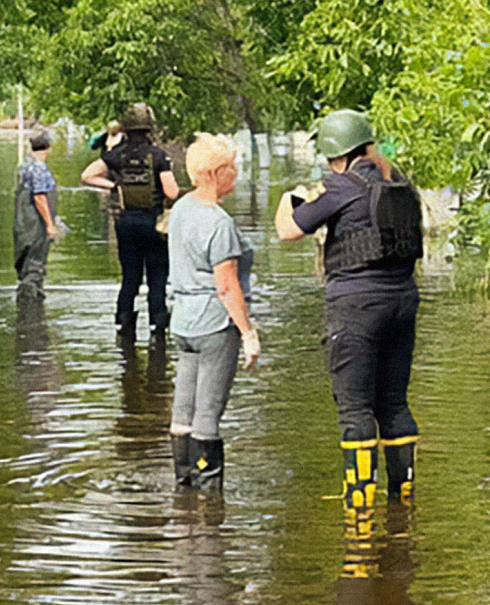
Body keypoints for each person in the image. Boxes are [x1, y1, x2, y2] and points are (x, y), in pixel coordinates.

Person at [274, 109, 424, 513]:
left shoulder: (341, 187)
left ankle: (359, 514)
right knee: (394, 403)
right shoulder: (401, 185)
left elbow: (287, 230)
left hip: (355, 307)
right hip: (403, 301)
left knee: (355, 408)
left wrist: (291, 199)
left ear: (335, 155)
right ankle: (403, 504)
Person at [166, 133, 259, 493]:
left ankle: (183, 490)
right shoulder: (219, 223)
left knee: (182, 411)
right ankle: (208, 502)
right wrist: (248, 333)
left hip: (184, 322)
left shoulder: (181, 210)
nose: (236, 174)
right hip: (215, 326)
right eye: (233, 168)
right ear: (215, 173)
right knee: (208, 414)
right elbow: (226, 286)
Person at [80, 103, 179, 340]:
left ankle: (124, 328)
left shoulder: (116, 155)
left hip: (125, 224)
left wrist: (114, 186)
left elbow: (87, 176)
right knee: (157, 278)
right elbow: (172, 192)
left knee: (130, 277)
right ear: (149, 128)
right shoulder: (158, 156)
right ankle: (157, 327)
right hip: (154, 224)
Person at [15, 131, 60, 302]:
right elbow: (40, 197)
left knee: (26, 265)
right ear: (47, 149)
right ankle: (32, 313)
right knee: (35, 266)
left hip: (23, 225)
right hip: (36, 226)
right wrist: (50, 224)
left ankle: (25, 310)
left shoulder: (25, 167)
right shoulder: (40, 169)